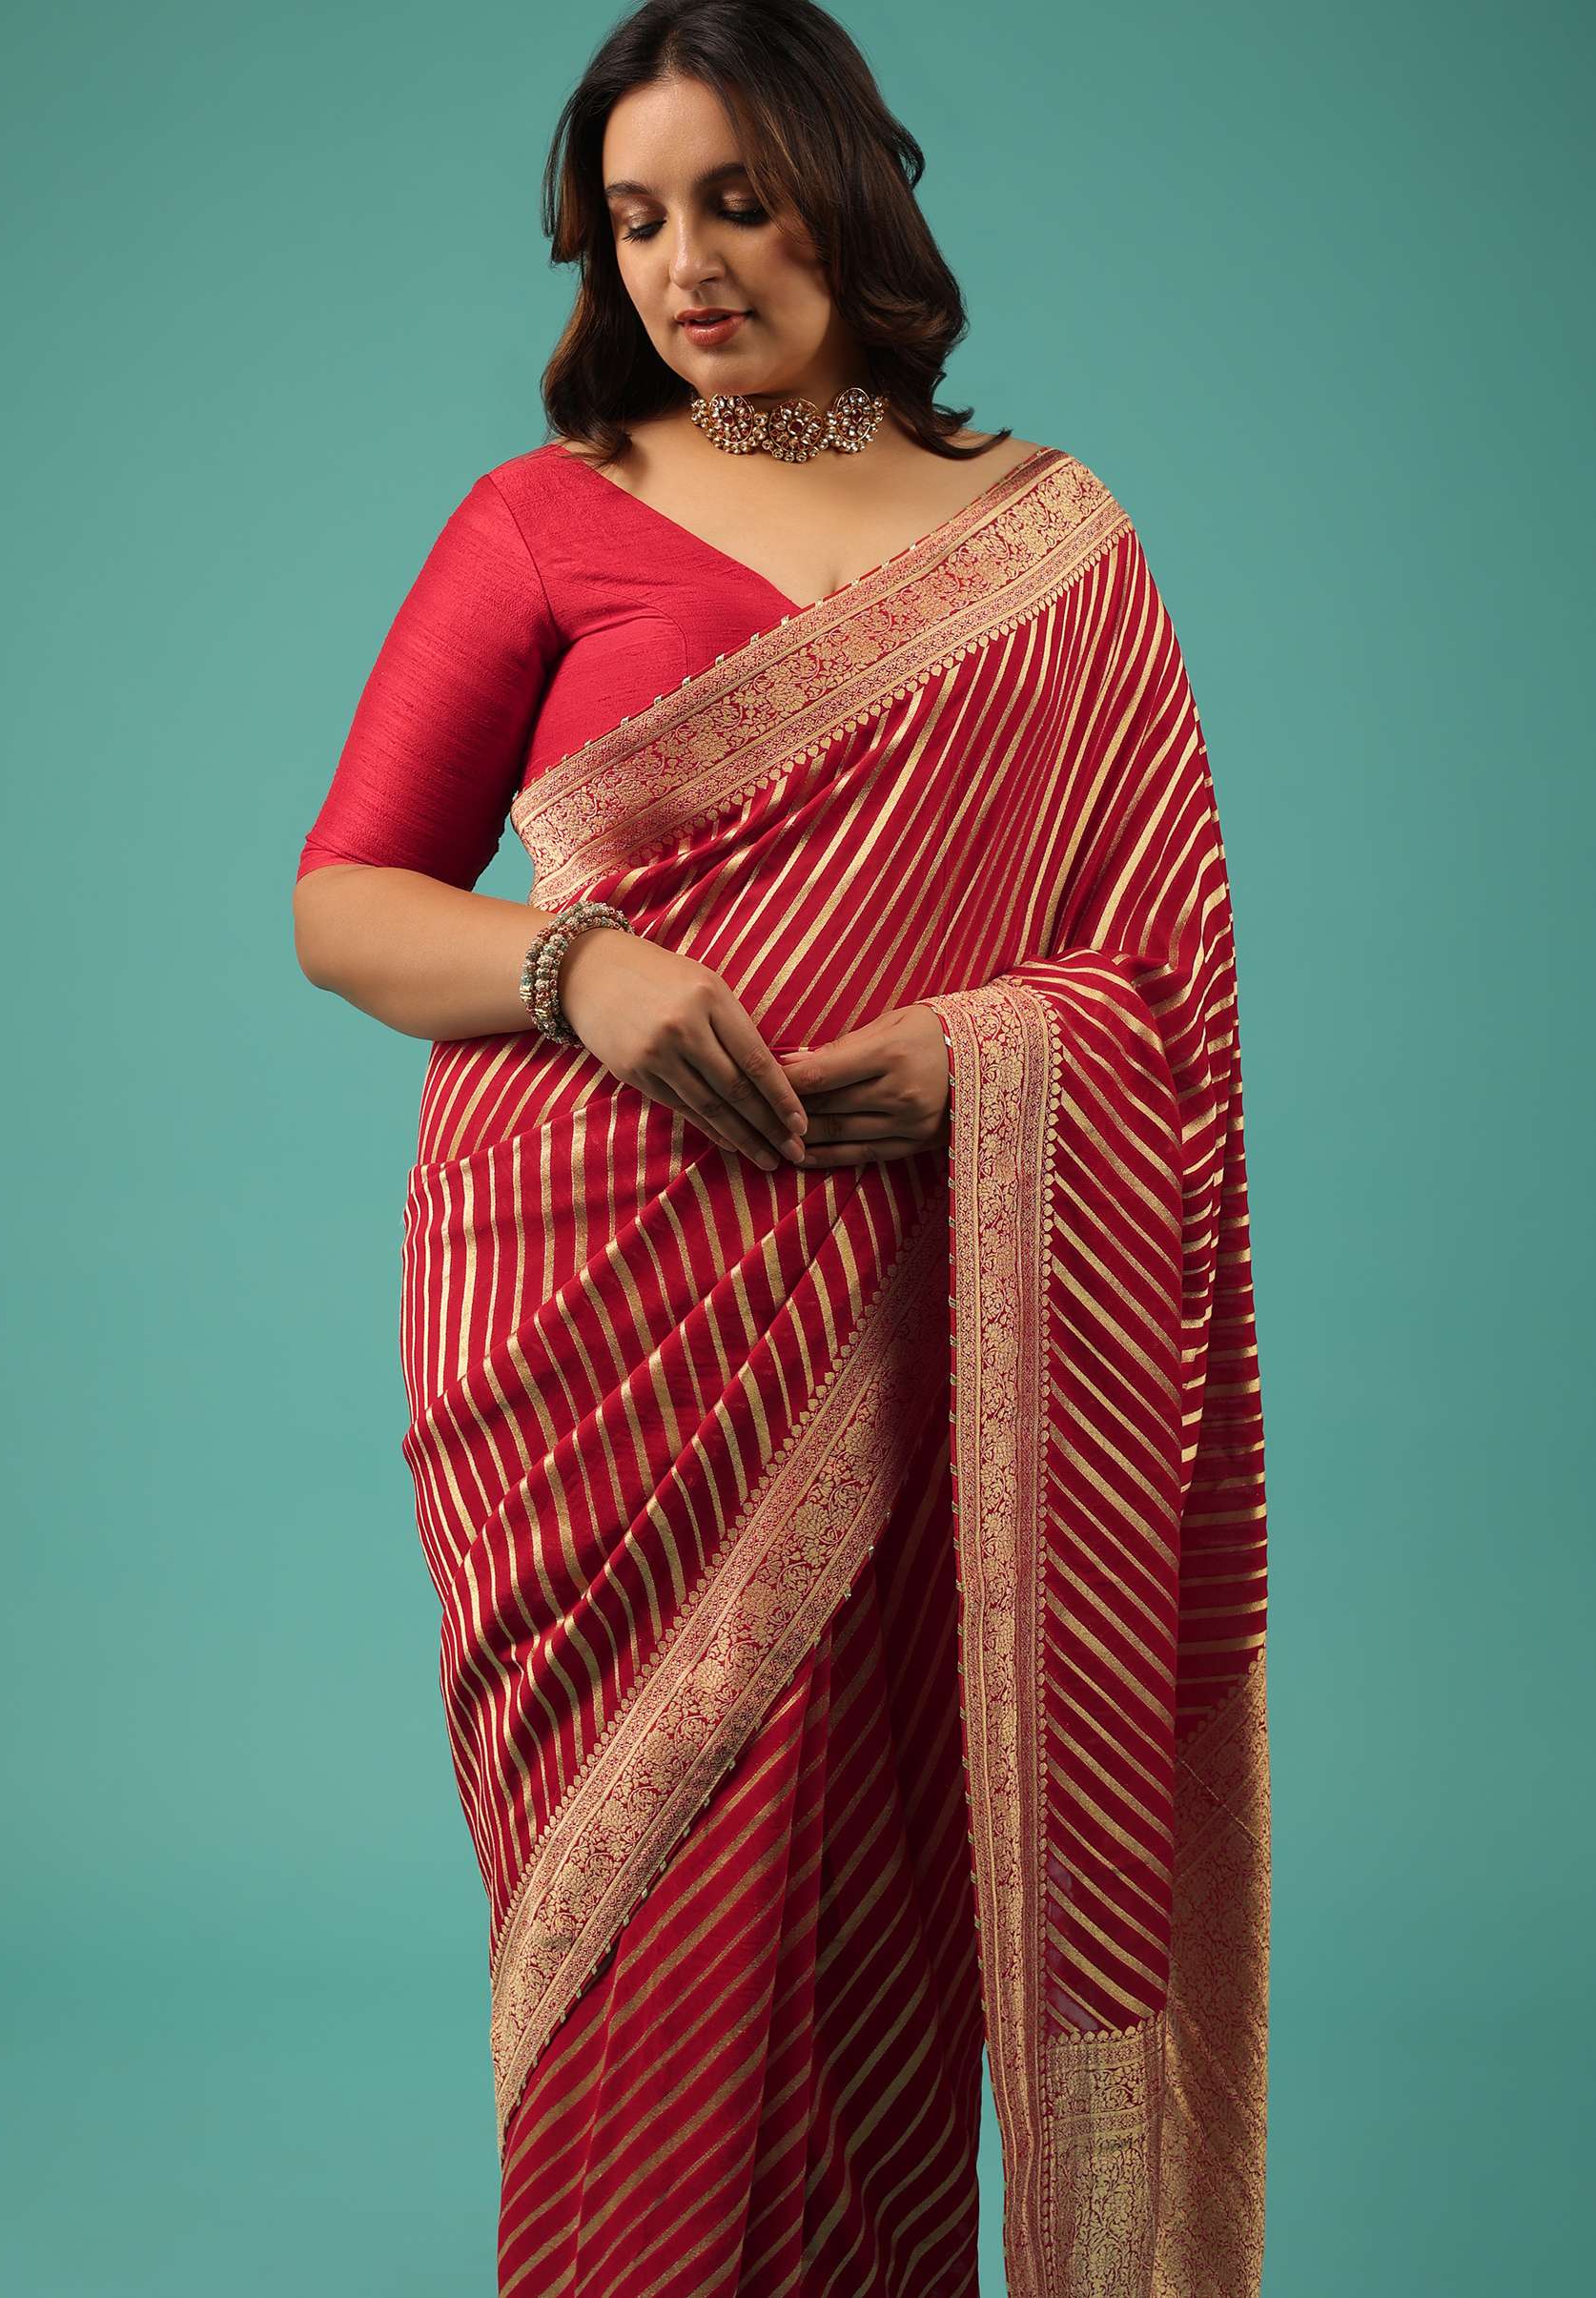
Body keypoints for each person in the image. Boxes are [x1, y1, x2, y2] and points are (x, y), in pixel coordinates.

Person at [292, 4, 1271, 2291]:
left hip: (933, 1323)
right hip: (579, 1336)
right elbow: (347, 903)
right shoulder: (545, 518)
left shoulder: (1050, 546)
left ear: (852, 190)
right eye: (633, 219)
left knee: (870, 1934)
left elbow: (1162, 994)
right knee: (633, 1943)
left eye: (736, 200)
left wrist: (987, 1060)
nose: (686, 265)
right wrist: (584, 968)